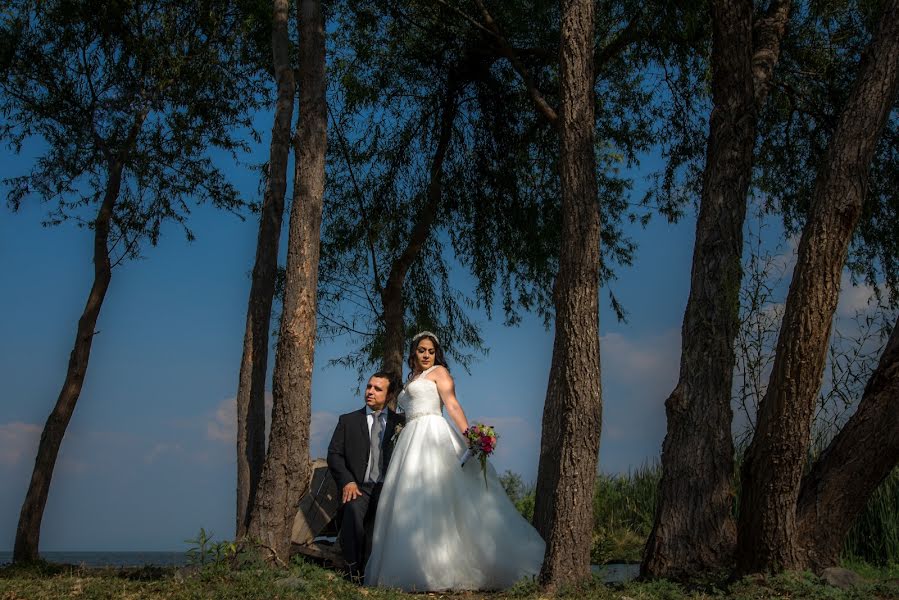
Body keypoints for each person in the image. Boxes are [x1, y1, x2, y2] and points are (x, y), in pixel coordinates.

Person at [364, 331, 545, 591]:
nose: (426, 355)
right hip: (410, 438)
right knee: (410, 500)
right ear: (413, 353)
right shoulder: (412, 378)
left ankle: (444, 566)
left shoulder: (439, 373)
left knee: (437, 496)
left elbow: (453, 405)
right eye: (421, 350)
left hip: (431, 434)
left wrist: (470, 436)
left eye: (431, 351)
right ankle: (414, 566)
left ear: (436, 354)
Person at [326, 371, 404, 582]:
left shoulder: (402, 424)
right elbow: (334, 455)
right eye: (369, 386)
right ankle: (353, 571)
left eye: (377, 389)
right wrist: (348, 481)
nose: (370, 392)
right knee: (352, 509)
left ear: (389, 396)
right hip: (358, 487)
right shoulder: (348, 421)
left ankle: (380, 574)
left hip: (387, 489)